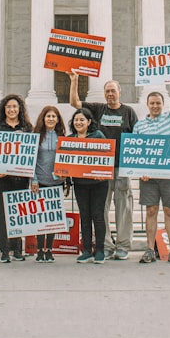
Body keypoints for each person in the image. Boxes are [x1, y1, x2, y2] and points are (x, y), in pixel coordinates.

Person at [69, 73, 138, 260]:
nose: (110, 94)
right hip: (101, 170)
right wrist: (74, 80)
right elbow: (75, 103)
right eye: (107, 91)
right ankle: (106, 245)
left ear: (119, 92)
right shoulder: (98, 109)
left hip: (122, 167)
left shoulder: (129, 112)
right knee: (102, 209)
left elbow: (138, 138)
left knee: (124, 207)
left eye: (113, 91)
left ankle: (123, 245)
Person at [134, 72, 170, 265]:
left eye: (158, 103)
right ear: (147, 105)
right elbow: (136, 151)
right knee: (151, 210)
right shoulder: (140, 126)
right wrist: (140, 170)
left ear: (163, 104)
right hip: (149, 176)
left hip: (169, 174)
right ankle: (150, 249)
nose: (156, 106)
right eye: (152, 103)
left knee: (169, 210)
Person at [0, 94, 33, 263]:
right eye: (8, 107)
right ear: (4, 109)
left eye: (15, 106)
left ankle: (17, 249)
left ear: (20, 109)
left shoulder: (27, 127)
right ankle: (4, 251)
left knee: (18, 214)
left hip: (20, 178)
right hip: (2, 178)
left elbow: (31, 152)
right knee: (3, 213)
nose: (12, 109)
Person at [69, 108, 108, 264]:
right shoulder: (70, 139)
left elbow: (107, 155)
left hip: (99, 183)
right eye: (76, 120)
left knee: (98, 216)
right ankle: (86, 250)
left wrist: (103, 172)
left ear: (89, 122)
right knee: (85, 217)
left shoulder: (98, 136)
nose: (78, 122)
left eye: (82, 120)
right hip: (80, 184)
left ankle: (99, 250)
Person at [30, 105, 67, 262]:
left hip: (57, 182)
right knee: (41, 218)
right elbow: (30, 160)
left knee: (52, 219)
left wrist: (66, 182)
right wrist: (33, 179)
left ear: (58, 119)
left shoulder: (63, 137)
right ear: (43, 119)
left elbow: (67, 161)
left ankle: (49, 250)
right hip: (40, 182)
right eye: (48, 116)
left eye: (54, 116)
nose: (51, 119)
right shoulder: (36, 136)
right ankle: (39, 250)